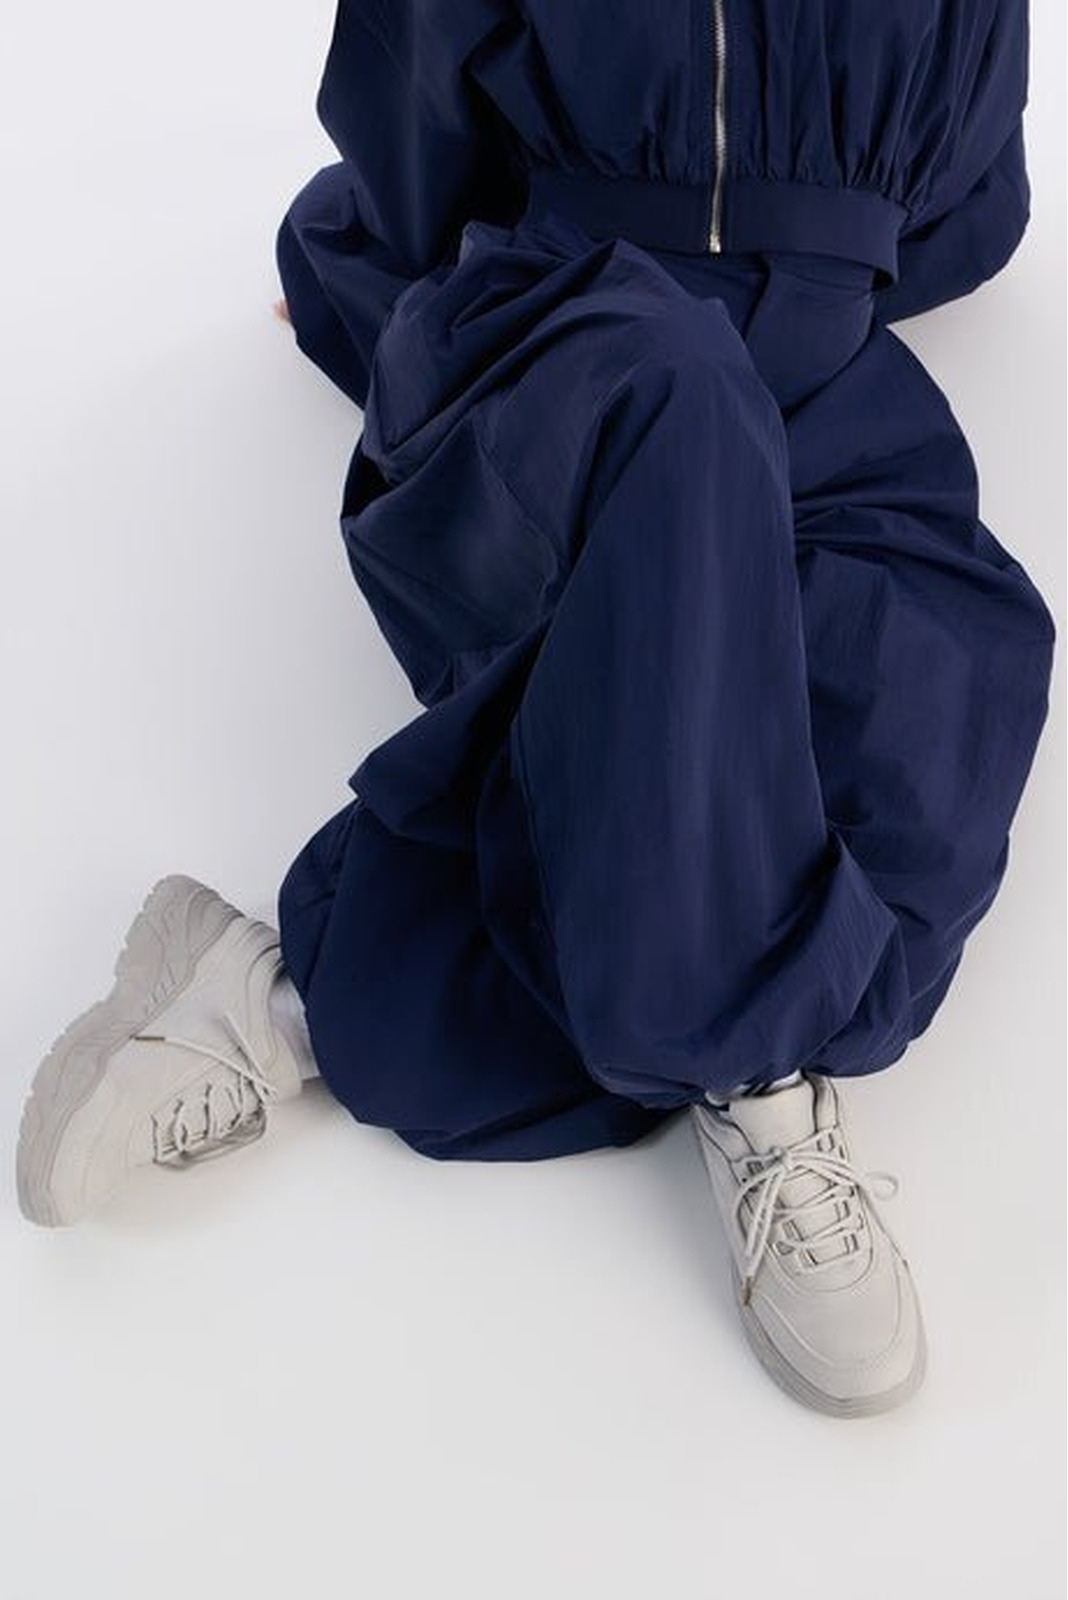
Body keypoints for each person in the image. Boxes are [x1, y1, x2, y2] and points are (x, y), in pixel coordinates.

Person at [16, 1, 1056, 1419]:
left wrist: (817, 247)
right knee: (683, 435)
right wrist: (360, 275)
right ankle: (759, 1079)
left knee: (936, 686)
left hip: (825, 364)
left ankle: (278, 998)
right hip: (571, 324)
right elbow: (410, 100)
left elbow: (970, 195)